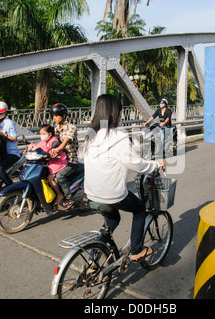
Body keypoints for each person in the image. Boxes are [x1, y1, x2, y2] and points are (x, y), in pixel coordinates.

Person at [84, 94, 165, 262]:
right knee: (140, 210)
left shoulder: (90, 136)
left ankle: (93, 260)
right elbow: (137, 165)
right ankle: (136, 250)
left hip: (91, 194)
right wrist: (156, 165)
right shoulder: (119, 137)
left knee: (112, 220)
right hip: (113, 195)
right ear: (117, 113)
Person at [49, 103, 79, 210]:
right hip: (58, 161)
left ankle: (68, 198)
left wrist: (57, 150)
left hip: (71, 160)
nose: (54, 118)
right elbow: (47, 141)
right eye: (53, 115)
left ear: (64, 116)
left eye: (57, 115)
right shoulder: (55, 129)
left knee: (60, 177)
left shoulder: (71, 127)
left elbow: (65, 142)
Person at [27, 124, 67, 205]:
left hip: (58, 163)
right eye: (40, 134)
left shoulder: (54, 141)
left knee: (50, 178)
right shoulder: (44, 141)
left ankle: (59, 194)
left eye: (43, 134)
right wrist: (32, 146)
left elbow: (52, 150)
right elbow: (39, 145)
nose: (41, 136)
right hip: (50, 163)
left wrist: (41, 148)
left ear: (49, 134)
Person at [0, 101, 21, 186]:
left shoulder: (9, 123)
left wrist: (3, 134)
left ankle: (10, 186)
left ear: (5, 112)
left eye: (1, 113)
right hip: (2, 153)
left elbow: (14, 138)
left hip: (12, 154)